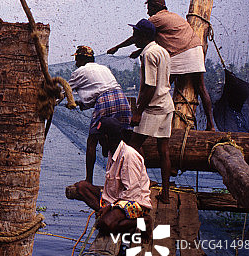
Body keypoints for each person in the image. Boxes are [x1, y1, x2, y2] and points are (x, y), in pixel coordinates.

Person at [107, 0, 216, 130]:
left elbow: (138, 36)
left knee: (159, 88)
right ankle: (211, 125)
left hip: (181, 53)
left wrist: (117, 47)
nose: (147, 12)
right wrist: (138, 51)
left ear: (155, 7)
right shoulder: (173, 16)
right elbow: (160, 38)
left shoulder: (156, 19)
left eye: (149, 8)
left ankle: (146, 119)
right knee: (201, 88)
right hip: (196, 50)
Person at [73, 117, 152, 234]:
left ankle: (144, 221)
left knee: (105, 224)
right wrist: (109, 206)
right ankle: (110, 215)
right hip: (115, 198)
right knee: (81, 187)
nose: (99, 143)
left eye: (100, 138)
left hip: (134, 202)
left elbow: (132, 192)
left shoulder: (129, 156)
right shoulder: (112, 151)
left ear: (106, 138)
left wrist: (110, 207)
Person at [68, 45, 132, 183]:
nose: (75, 62)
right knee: (126, 140)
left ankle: (88, 180)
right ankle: (132, 178)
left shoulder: (79, 72)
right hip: (122, 98)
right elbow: (97, 92)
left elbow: (65, 92)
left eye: (77, 59)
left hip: (105, 100)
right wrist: (80, 104)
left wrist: (53, 102)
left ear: (81, 58)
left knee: (92, 141)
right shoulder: (104, 68)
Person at [126, 19, 174, 203]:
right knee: (164, 150)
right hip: (167, 105)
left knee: (131, 147)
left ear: (144, 36)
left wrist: (138, 112)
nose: (133, 38)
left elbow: (150, 86)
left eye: (136, 34)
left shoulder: (148, 54)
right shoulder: (161, 50)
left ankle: (135, 188)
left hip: (154, 108)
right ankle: (166, 194)